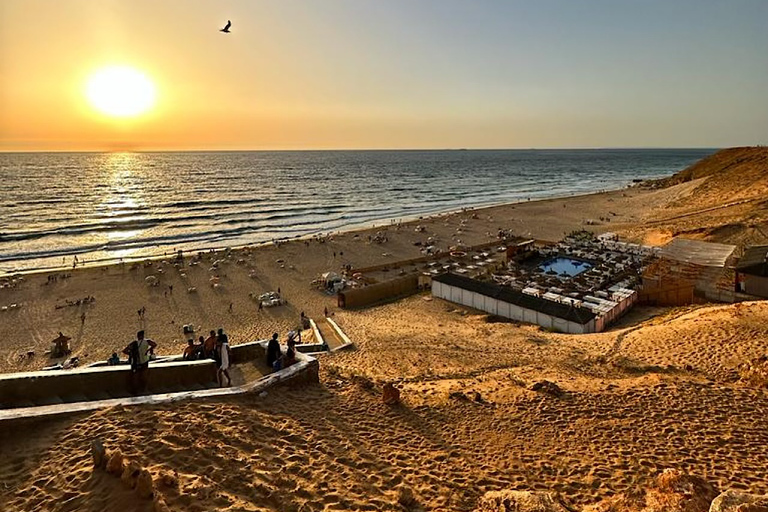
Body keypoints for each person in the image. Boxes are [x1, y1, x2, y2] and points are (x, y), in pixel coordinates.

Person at [122, 330, 157, 395]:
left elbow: (124, 350)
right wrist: (149, 350)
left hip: (136, 362)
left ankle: (135, 391)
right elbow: (154, 344)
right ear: (143, 335)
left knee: (135, 377)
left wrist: (131, 354)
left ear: (137, 336)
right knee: (144, 376)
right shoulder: (147, 342)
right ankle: (144, 389)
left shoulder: (134, 343)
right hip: (144, 361)